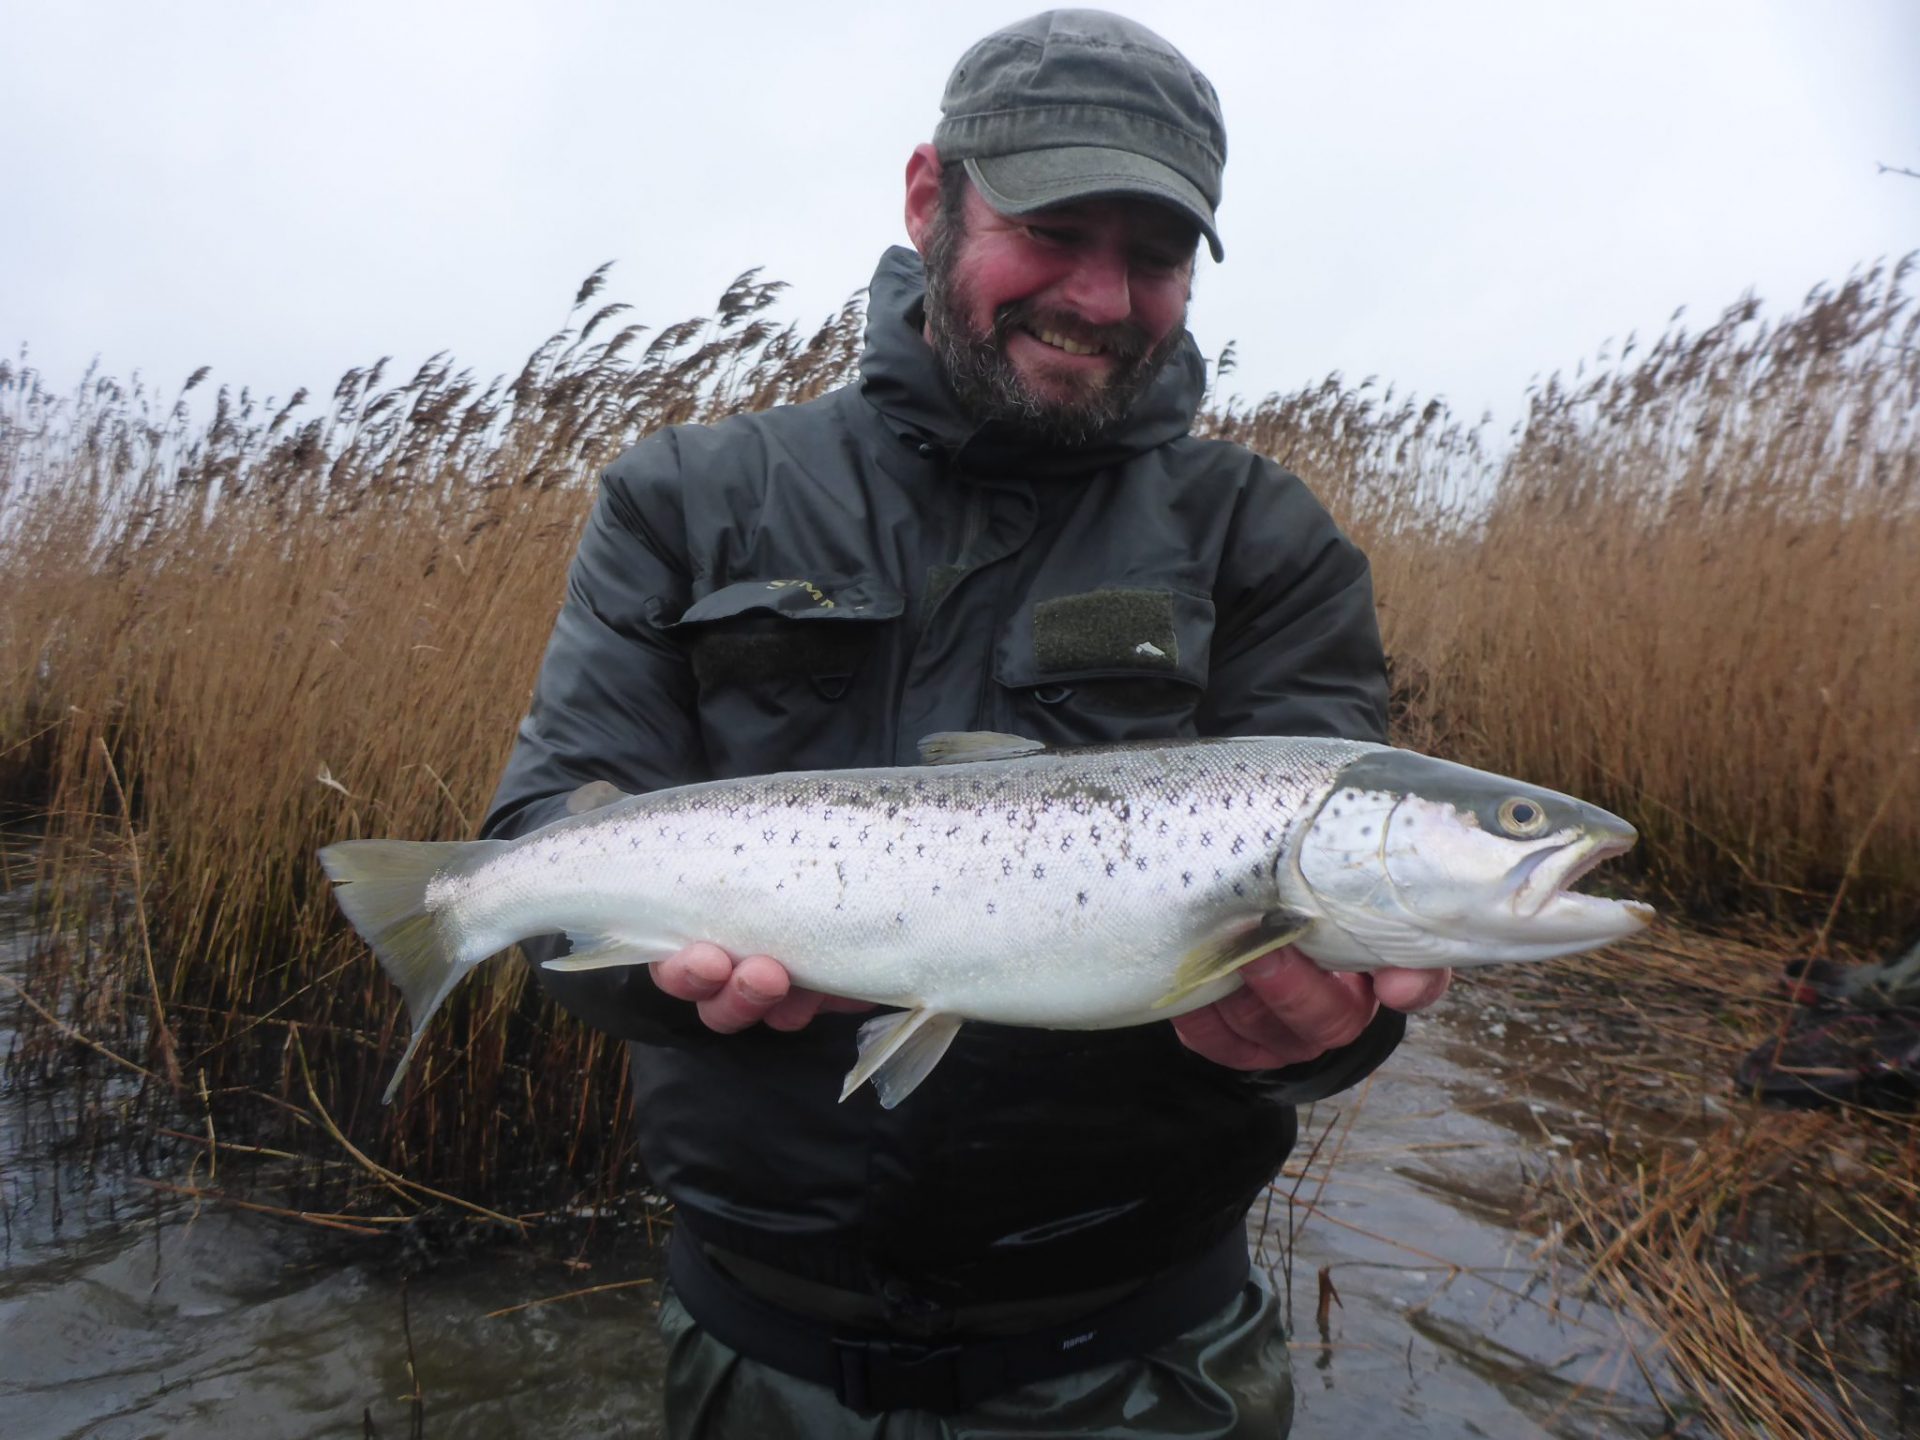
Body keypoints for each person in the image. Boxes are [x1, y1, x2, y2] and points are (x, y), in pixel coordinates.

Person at [483, 10, 1450, 1436]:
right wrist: (652, 974)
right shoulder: (688, 496)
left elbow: (1336, 1000)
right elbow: (542, 852)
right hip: (755, 1346)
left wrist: (1309, 1038)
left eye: (1157, 255)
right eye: (1058, 227)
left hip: (1144, 1359)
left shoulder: (1265, 539)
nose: (1106, 296)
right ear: (931, 197)